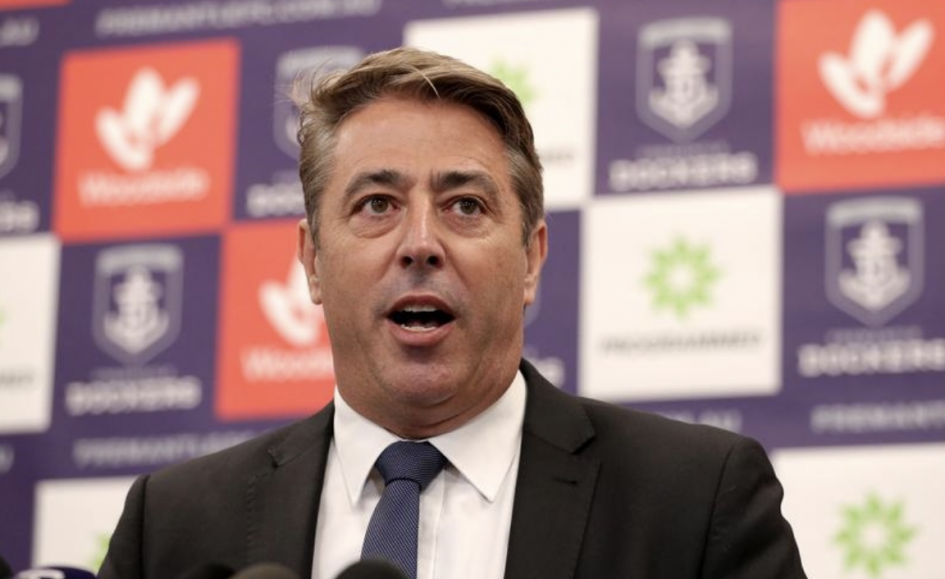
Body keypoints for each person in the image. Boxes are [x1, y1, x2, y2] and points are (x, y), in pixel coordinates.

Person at [98, 47, 807, 579]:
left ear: (529, 259)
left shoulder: (695, 499)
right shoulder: (174, 525)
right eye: (377, 204)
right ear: (312, 261)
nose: (420, 243)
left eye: (465, 205)